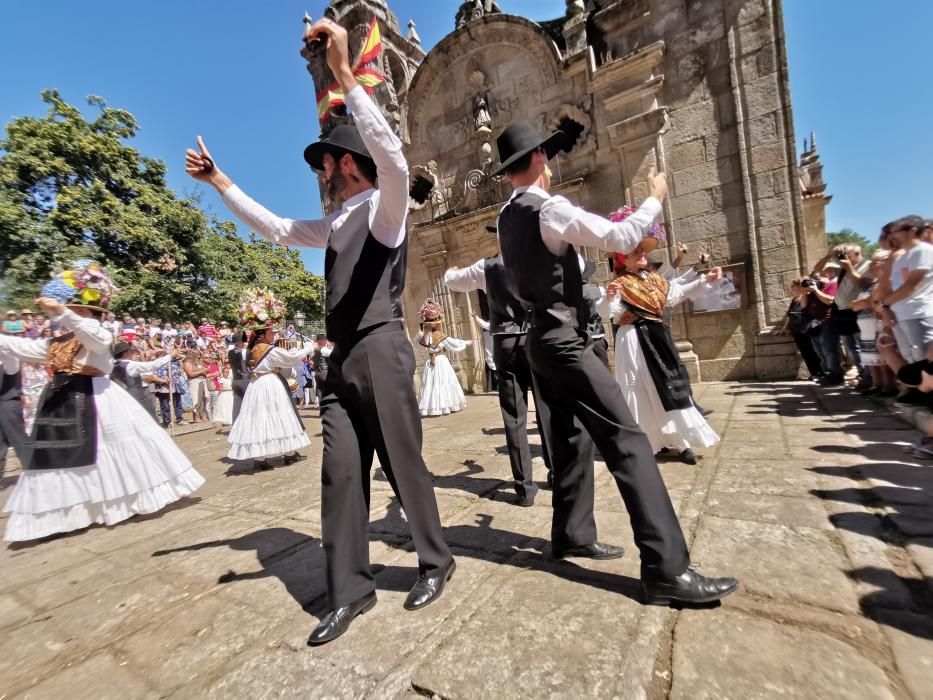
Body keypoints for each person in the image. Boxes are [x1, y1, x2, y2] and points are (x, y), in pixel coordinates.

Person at [186, 17, 454, 644]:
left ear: (350, 163)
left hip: (384, 349)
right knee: (340, 474)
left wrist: (341, 73)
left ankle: (435, 560)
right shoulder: (333, 225)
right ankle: (349, 590)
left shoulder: (389, 210)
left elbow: (394, 157)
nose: (323, 169)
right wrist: (221, 183)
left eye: (329, 159)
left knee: (404, 465)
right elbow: (277, 226)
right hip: (341, 363)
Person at [491, 119, 737, 605]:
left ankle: (572, 533)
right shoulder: (548, 207)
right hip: (563, 338)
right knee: (627, 440)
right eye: (547, 156)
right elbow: (623, 238)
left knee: (569, 439)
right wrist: (655, 197)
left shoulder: (505, 216)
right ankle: (667, 567)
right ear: (539, 159)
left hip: (538, 338)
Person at [0, 262, 204, 542]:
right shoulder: (59, 341)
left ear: (85, 311)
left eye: (76, 310)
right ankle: (77, 511)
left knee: (112, 453)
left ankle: (124, 501)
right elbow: (25, 348)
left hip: (97, 397)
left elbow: (94, 336)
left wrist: (64, 312)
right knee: (61, 458)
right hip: (60, 403)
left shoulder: (98, 334)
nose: (67, 315)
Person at [597, 245, 722, 465]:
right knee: (637, 389)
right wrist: (607, 299)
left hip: (657, 338)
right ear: (624, 260)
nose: (643, 255)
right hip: (633, 340)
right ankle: (648, 443)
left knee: (669, 386)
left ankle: (683, 443)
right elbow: (607, 312)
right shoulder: (618, 284)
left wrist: (705, 280)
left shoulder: (655, 279)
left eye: (643, 251)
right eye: (637, 252)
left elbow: (675, 294)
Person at [227, 312, 312, 470]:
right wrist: (308, 348)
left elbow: (284, 357)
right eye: (271, 333)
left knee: (260, 418)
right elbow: (289, 359)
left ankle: (261, 457)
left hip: (257, 385)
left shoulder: (254, 349)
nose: (273, 335)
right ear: (263, 334)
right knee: (279, 415)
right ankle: (289, 453)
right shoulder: (268, 350)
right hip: (270, 384)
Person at [811, 245, 871, 388]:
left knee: (863, 347)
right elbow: (818, 269)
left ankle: (869, 376)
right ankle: (863, 375)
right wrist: (828, 255)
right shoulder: (842, 267)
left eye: (847, 255)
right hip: (842, 313)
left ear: (857, 253)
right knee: (851, 348)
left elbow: (864, 283)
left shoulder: (867, 265)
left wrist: (849, 267)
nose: (843, 258)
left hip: (858, 312)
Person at [881, 216, 933, 363]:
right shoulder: (902, 258)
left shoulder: (923, 251)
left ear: (912, 231)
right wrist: (887, 308)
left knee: (924, 360)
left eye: (895, 231)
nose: (891, 236)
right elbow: (895, 286)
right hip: (902, 314)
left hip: (919, 312)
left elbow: (911, 286)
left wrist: (885, 303)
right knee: (912, 359)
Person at [415, 300, 471, 417]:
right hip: (441, 361)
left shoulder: (423, 337)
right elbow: (454, 344)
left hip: (430, 362)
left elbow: (419, 346)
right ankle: (446, 406)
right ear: (435, 324)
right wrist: (466, 343)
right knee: (443, 382)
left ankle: (432, 408)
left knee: (431, 384)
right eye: (439, 322)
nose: (441, 324)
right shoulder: (441, 335)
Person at [110, 341, 179, 420]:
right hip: (136, 400)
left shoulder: (112, 366)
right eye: (131, 351)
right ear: (125, 353)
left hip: (122, 400)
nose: (133, 353)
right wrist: (170, 356)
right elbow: (152, 365)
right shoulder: (131, 365)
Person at [0, 343, 29, 479]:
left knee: (19, 440)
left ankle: (33, 471)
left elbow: (11, 369)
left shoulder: (9, 358)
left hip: (8, 403)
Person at [470, 311, 498, 393]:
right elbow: (484, 324)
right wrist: (476, 317)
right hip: (492, 349)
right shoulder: (490, 327)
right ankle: (492, 386)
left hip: (497, 349)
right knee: (492, 365)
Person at [227, 331, 250, 421]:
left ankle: (235, 426)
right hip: (245, 380)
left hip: (235, 380)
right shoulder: (246, 352)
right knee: (249, 404)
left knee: (237, 405)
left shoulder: (230, 352)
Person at [311, 334, 330, 409]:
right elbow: (334, 354)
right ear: (323, 340)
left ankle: (322, 408)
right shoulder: (324, 349)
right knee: (327, 390)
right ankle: (327, 408)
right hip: (325, 372)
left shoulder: (314, 350)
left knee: (319, 391)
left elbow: (311, 363)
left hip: (317, 373)